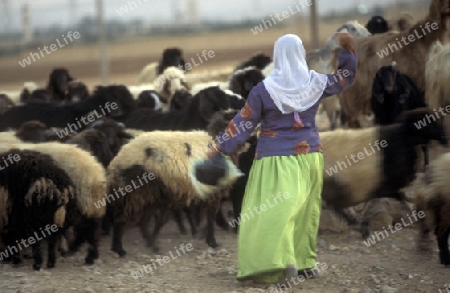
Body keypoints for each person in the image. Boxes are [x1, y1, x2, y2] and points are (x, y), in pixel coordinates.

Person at [206, 33, 358, 287]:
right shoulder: (316, 83)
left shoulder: (263, 90)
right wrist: (347, 52)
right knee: (305, 211)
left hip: (275, 160)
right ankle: (304, 263)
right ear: (300, 54)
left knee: (274, 212)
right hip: (310, 157)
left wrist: (220, 145)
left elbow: (243, 123)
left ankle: (277, 263)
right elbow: (346, 78)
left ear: (277, 56)